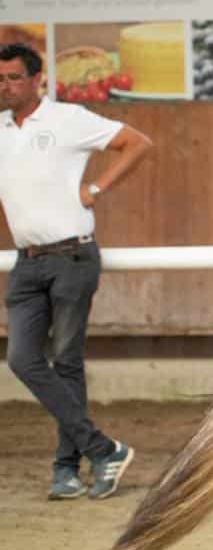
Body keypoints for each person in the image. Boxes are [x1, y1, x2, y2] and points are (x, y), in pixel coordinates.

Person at [1, 42, 153, 500]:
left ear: (37, 80)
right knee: (22, 359)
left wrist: (96, 189)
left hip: (72, 258)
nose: (5, 86)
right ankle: (103, 450)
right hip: (26, 263)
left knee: (66, 362)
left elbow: (137, 143)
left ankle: (66, 470)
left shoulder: (68, 119)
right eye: (0, 79)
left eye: (13, 77)